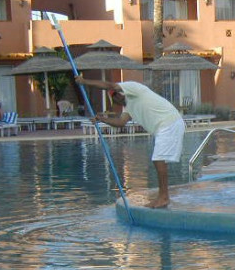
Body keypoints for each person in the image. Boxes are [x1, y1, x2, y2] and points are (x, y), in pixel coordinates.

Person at [75, 75, 186, 208]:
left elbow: (110, 85)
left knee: (158, 159)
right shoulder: (128, 108)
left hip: (169, 122)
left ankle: (163, 197)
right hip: (165, 126)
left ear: (120, 93)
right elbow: (120, 122)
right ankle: (163, 196)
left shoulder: (134, 88)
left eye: (116, 96)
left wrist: (85, 81)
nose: (116, 100)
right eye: (114, 98)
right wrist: (102, 119)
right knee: (158, 159)